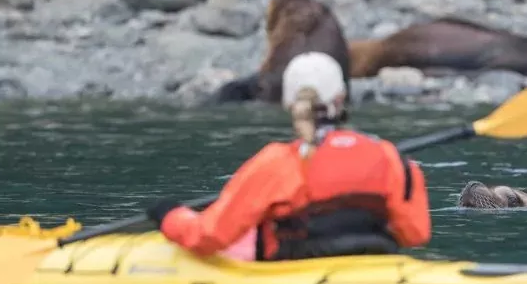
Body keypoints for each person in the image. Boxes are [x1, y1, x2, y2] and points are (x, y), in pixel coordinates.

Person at [146, 52, 431, 261]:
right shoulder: (390, 157)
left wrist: (170, 215)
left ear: (289, 103)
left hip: (293, 274)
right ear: (342, 98)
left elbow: (208, 236)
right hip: (372, 275)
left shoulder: (278, 163)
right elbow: (415, 234)